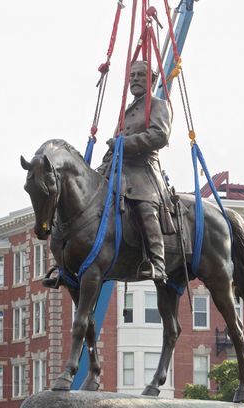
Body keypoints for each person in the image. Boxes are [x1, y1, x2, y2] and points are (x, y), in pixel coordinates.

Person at [101, 60, 173, 282]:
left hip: (143, 170)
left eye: (140, 75)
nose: (134, 79)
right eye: (131, 76)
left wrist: (124, 143)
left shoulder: (159, 104)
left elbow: (159, 136)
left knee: (144, 207)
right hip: (118, 167)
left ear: (152, 79)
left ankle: (158, 262)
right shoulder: (127, 109)